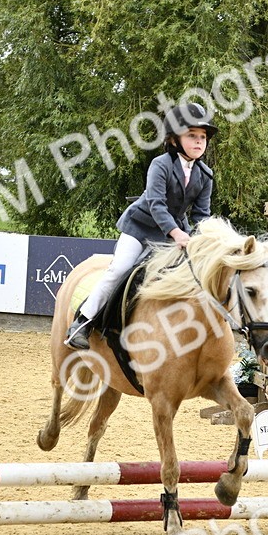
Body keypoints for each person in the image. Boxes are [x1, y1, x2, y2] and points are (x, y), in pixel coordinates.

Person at [64, 103, 218, 350]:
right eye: (192, 135)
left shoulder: (205, 175)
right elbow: (157, 205)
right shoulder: (161, 164)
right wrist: (177, 233)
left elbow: (201, 215)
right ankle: (82, 323)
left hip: (173, 234)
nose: (199, 141)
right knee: (120, 269)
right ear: (174, 139)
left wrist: (205, 240)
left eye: (202, 137)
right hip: (141, 227)